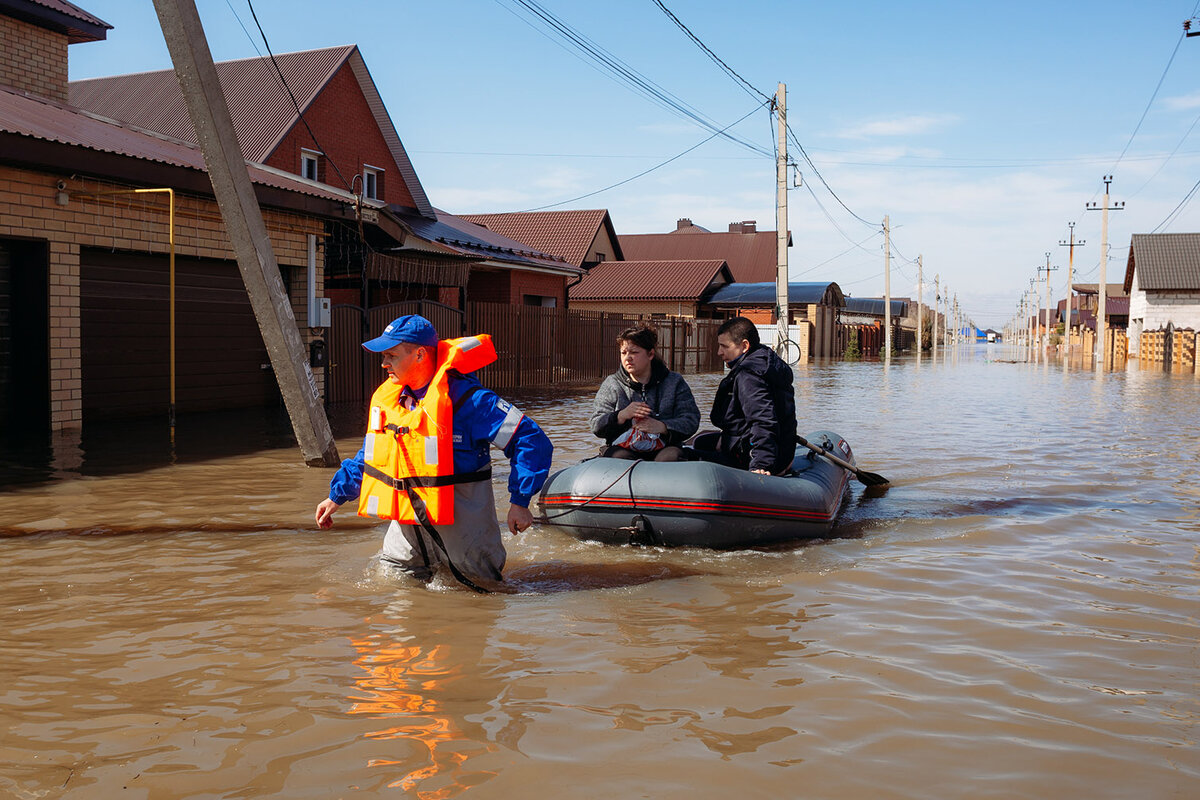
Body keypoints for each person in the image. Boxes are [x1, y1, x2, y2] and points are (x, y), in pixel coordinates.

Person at [314, 315, 553, 590]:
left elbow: (531, 439)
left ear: (419, 354)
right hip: (407, 523)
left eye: (391, 355)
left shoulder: (469, 400)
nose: (384, 364)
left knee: (479, 594)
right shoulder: (392, 401)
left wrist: (520, 502)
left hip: (462, 526)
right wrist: (337, 495)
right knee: (393, 590)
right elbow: (373, 455)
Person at [692, 316, 796, 475]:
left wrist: (761, 464)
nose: (719, 352)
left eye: (724, 346)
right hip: (781, 451)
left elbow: (762, 419)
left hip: (757, 458)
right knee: (701, 441)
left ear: (745, 345)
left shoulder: (749, 376)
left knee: (676, 456)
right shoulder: (765, 362)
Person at [589, 323, 700, 462]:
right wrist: (621, 415)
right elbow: (596, 424)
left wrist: (663, 427)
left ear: (651, 354)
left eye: (634, 352)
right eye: (623, 353)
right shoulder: (612, 384)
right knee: (619, 458)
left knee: (672, 457)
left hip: (665, 448)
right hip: (623, 449)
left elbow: (691, 420)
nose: (627, 358)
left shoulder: (674, 382)